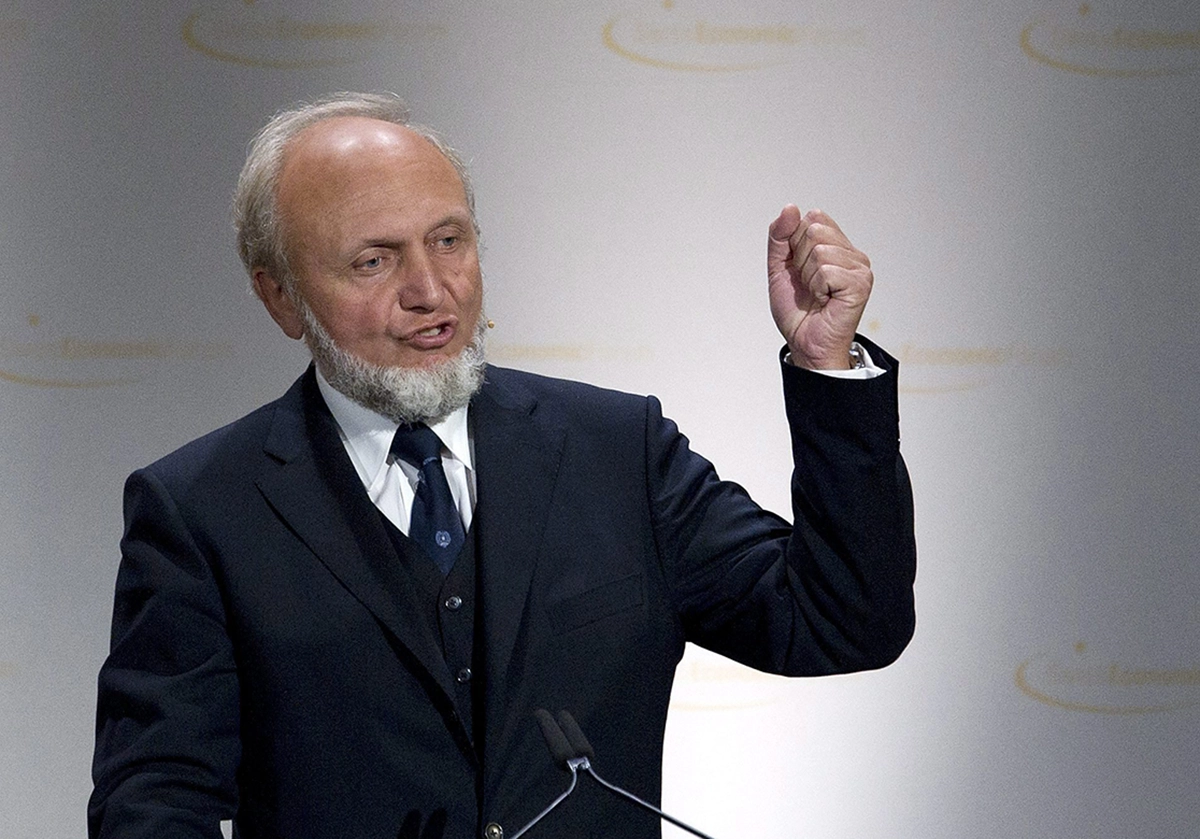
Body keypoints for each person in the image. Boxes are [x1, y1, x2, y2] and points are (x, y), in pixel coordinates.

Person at [89, 92, 916, 839]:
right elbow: (154, 801)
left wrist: (825, 369)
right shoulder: (200, 510)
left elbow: (841, 621)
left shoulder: (618, 450)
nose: (431, 290)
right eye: (373, 261)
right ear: (280, 298)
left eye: (449, 241)